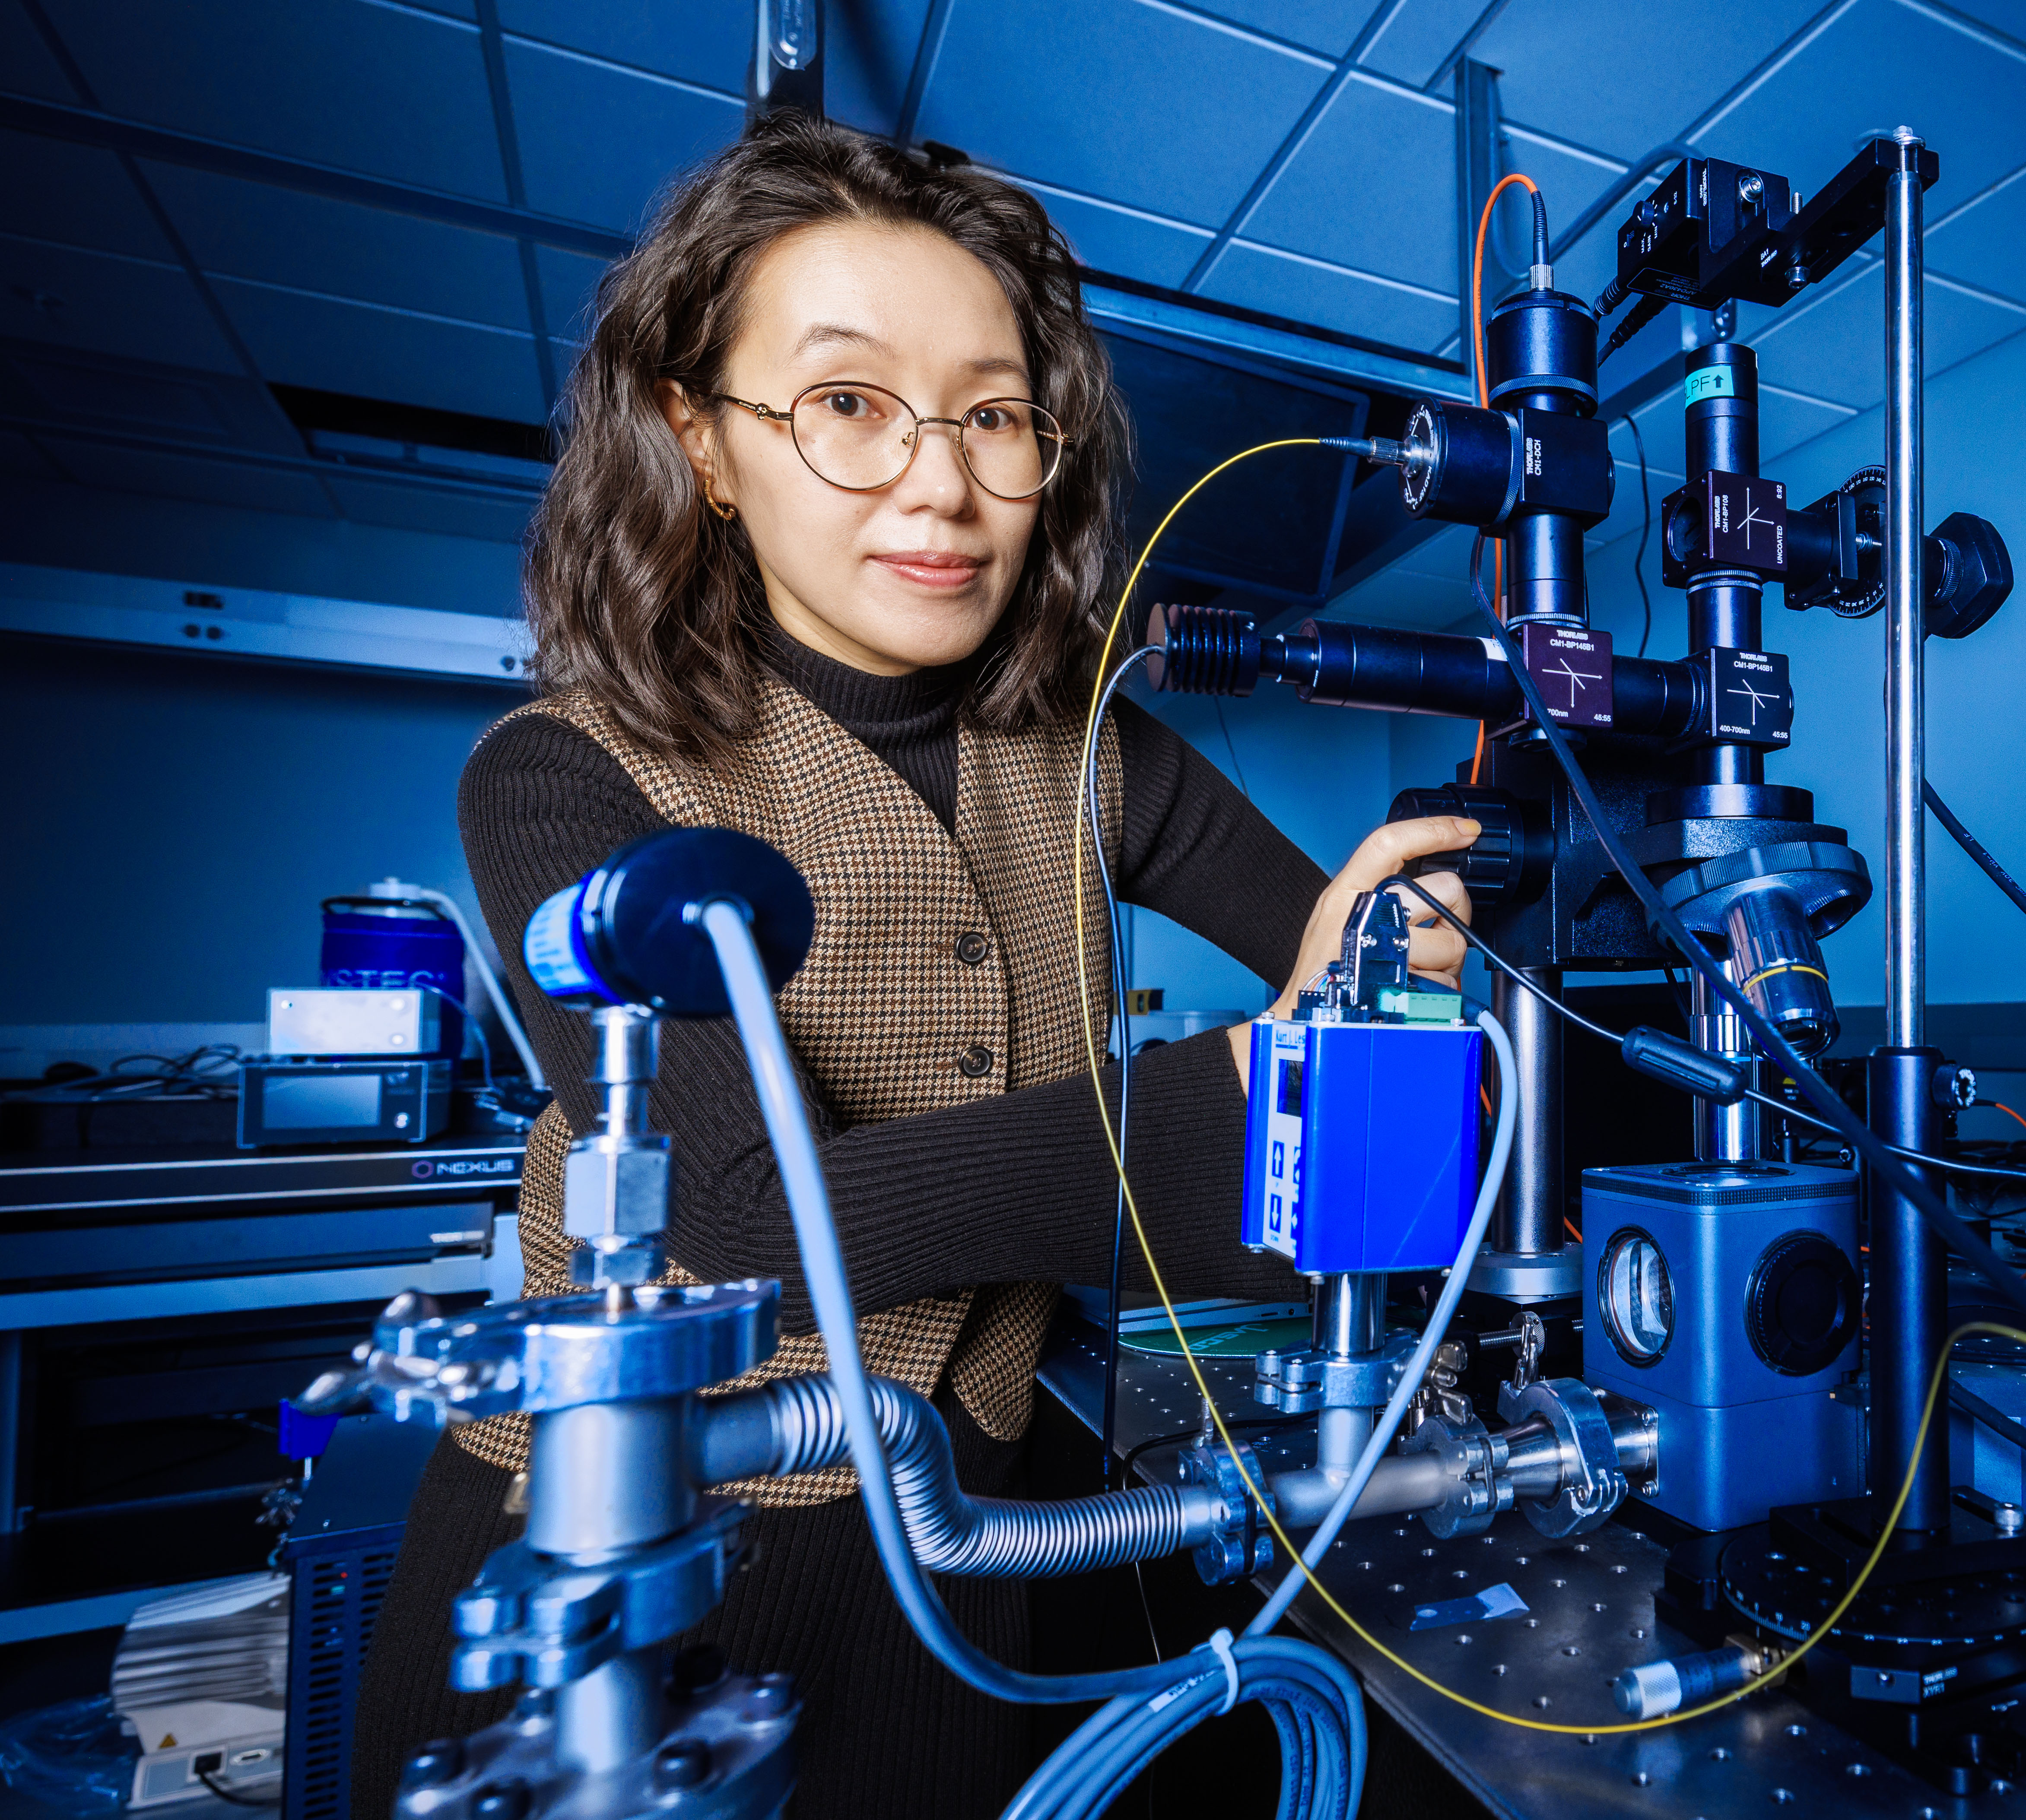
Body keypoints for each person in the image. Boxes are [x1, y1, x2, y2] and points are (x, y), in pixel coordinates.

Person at [350, 111, 1477, 1819]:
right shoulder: (563, 772)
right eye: (848, 403)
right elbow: (733, 1205)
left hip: (971, 1548)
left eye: (994, 412)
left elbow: (1347, 948)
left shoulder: (1099, 752)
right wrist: (1236, 1125)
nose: (940, 482)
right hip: (632, 1560)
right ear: (699, 438)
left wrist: (1421, 957)